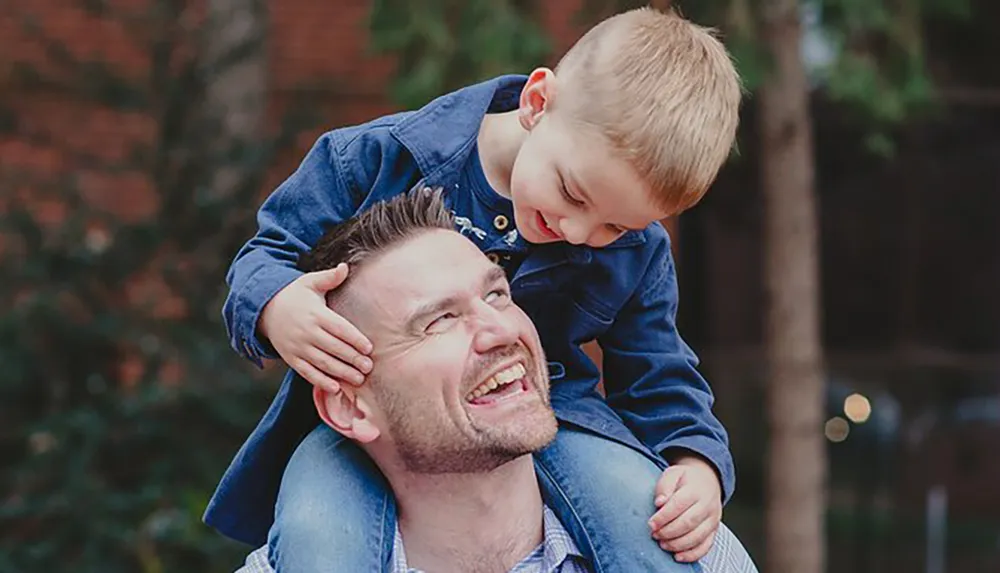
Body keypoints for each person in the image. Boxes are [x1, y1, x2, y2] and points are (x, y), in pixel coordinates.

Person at [205, 6, 743, 571]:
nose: (580, 232)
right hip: (364, 422)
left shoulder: (639, 251)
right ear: (537, 103)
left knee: (650, 525)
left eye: (616, 226)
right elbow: (268, 253)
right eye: (575, 194)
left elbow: (659, 371)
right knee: (319, 536)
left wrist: (695, 461)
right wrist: (277, 306)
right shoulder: (378, 158)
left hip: (557, 415)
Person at [235, 190, 757, 572]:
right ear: (350, 407)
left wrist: (696, 458)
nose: (498, 331)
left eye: (497, 295)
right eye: (438, 321)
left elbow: (663, 373)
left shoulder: (697, 557)